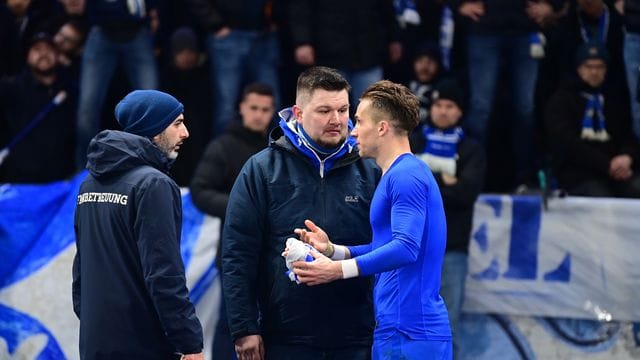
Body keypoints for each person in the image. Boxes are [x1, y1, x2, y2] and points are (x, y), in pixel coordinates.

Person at [222, 66, 379, 360]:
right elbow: (238, 253)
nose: (336, 120)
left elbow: (389, 249)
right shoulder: (261, 169)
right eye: (324, 111)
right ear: (298, 112)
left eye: (343, 110)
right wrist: (244, 327)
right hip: (283, 336)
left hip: (357, 337)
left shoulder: (371, 170)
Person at [292, 80, 452, 359]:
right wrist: (334, 251)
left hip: (410, 332)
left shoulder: (406, 176)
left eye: (358, 121)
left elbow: (405, 248)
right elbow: (386, 246)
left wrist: (336, 270)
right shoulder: (400, 174)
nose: (352, 131)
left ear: (382, 128)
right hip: (402, 330)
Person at [72, 90, 204, 359]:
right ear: (153, 130)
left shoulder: (89, 184)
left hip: (96, 342)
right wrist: (189, 342)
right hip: (143, 344)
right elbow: (164, 273)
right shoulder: (153, 184)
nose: (185, 133)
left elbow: (80, 272)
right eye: (177, 123)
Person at [190, 82, 275, 359]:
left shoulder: (278, 148)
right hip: (235, 254)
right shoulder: (223, 146)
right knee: (233, 327)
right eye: (253, 108)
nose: (259, 114)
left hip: (276, 255)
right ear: (240, 108)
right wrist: (242, 208)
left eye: (265, 109)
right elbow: (200, 191)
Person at [410, 78, 486, 358]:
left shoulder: (471, 149)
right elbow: (403, 188)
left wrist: (426, 180)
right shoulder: (412, 140)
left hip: (451, 248)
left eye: (449, 106)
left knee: (446, 325)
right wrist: (446, 181)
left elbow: (466, 194)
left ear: (460, 111)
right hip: (410, 247)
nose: (442, 111)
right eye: (438, 105)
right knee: (406, 322)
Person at [545, 41, 640, 197]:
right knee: (602, 200)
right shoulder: (561, 100)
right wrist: (606, 164)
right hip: (579, 174)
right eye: (589, 67)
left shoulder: (614, 98)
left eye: (599, 67)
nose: (594, 72)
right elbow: (568, 143)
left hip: (618, 170)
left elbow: (628, 135)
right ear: (579, 69)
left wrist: (627, 157)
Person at [0, 32, 76, 183]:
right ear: (27, 57)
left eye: (49, 49)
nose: (43, 54)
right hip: (19, 182)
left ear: (58, 55)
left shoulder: (71, 90)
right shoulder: (12, 88)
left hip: (63, 182)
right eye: (37, 50)